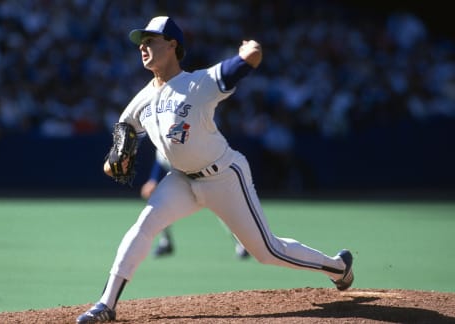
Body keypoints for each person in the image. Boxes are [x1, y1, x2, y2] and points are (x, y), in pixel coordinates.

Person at [77, 16, 354, 323]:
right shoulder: (141, 100)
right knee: (143, 226)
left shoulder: (198, 83)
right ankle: (106, 304)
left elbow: (246, 62)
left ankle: (337, 267)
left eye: (150, 40)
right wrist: (114, 159)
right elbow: (123, 133)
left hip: (224, 176)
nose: (143, 46)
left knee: (267, 252)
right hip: (181, 181)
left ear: (172, 46)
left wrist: (252, 50)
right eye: (141, 42)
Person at [142, 149, 250, 259]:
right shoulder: (162, 139)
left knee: (220, 207)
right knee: (156, 196)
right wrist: (153, 180)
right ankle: (166, 242)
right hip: (183, 182)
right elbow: (160, 161)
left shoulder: (188, 138)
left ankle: (242, 243)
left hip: (205, 177)